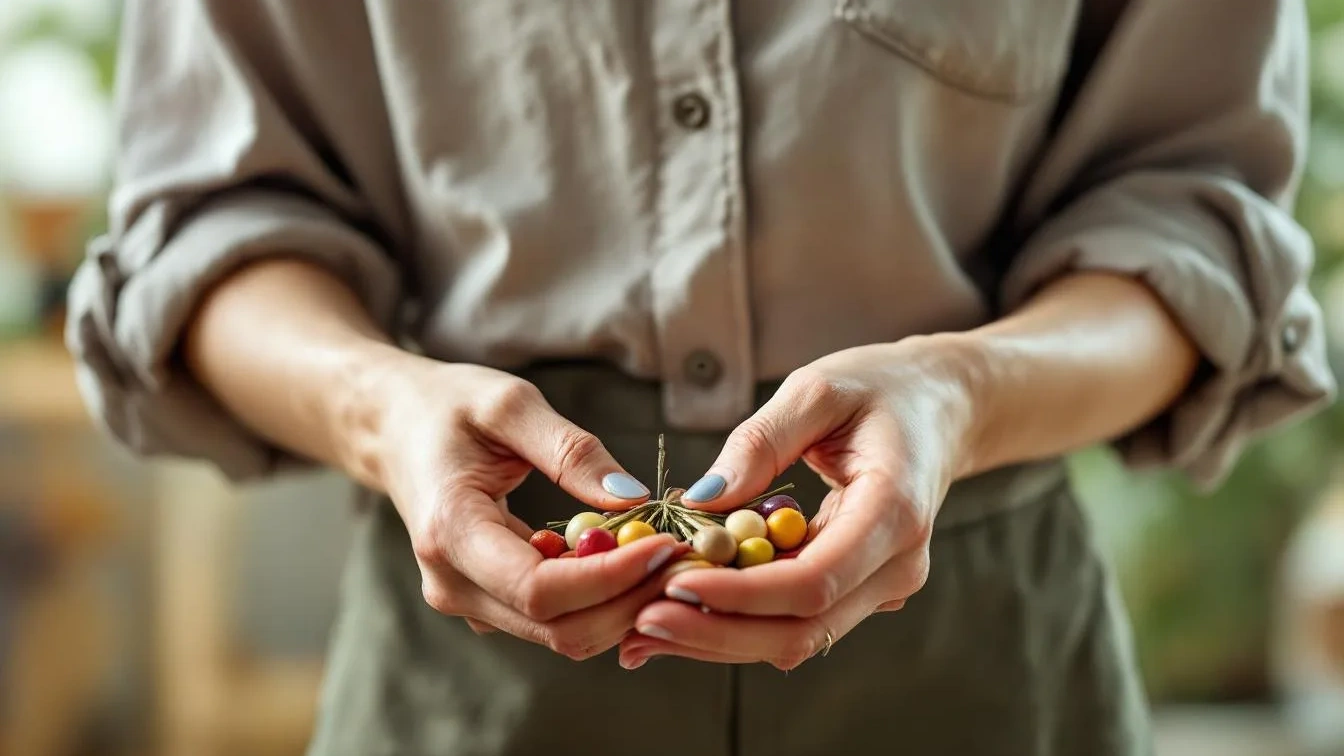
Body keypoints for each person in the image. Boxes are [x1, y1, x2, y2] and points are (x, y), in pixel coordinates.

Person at [67, 1, 1335, 754]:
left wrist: (962, 394)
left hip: (981, 660)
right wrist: (382, 409)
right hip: (469, 685)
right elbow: (214, 230)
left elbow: (1190, 222)